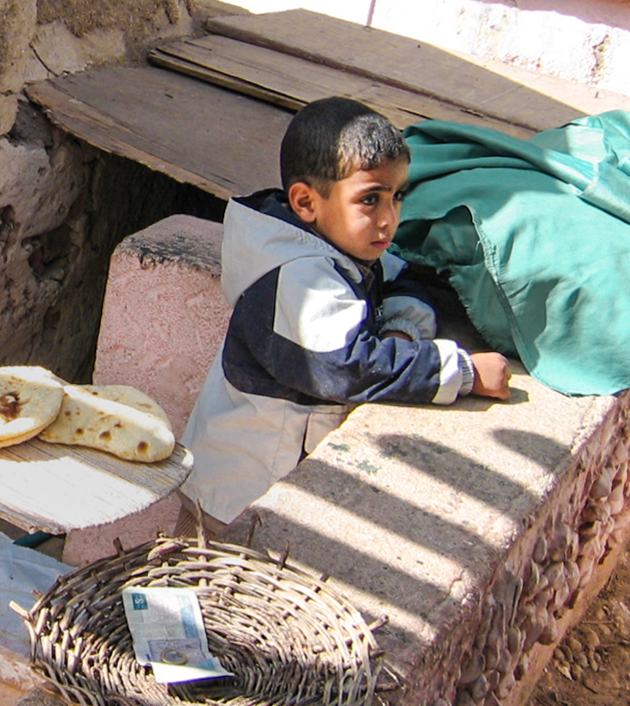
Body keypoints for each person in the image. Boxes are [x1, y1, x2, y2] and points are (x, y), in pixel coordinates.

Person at [178, 97, 511, 533]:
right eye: (370, 200)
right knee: (208, 590)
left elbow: (405, 279)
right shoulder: (295, 277)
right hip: (236, 494)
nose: (389, 219)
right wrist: (460, 371)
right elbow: (347, 366)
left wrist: (402, 330)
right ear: (306, 202)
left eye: (398, 197)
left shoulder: (338, 246)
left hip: (257, 481)